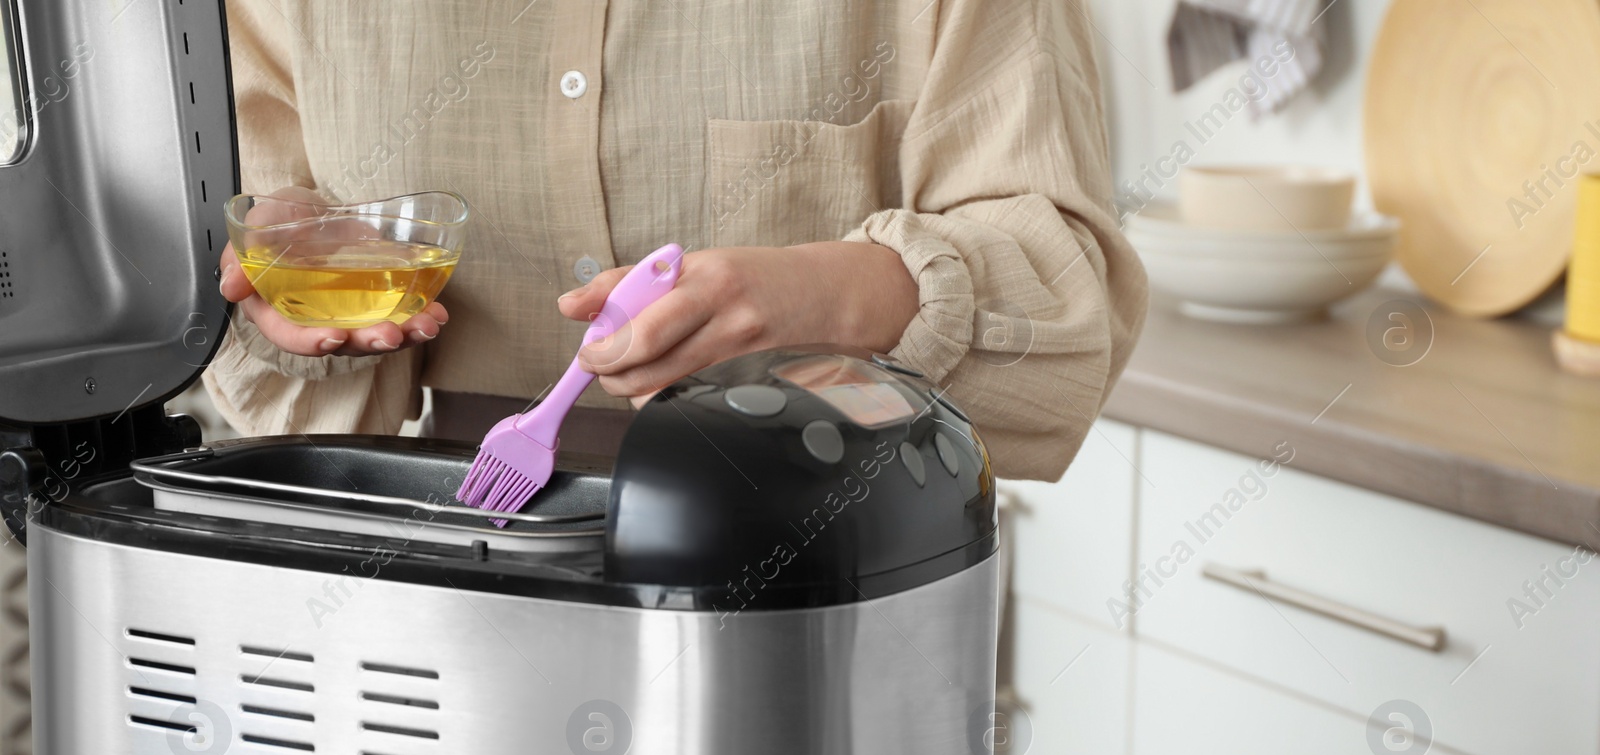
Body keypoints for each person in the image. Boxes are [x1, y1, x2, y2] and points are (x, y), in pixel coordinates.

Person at [209, 0, 1147, 478]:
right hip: (431, 548)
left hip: (827, 550)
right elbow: (251, 231)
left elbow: (1063, 300)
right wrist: (282, 274)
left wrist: (821, 295)